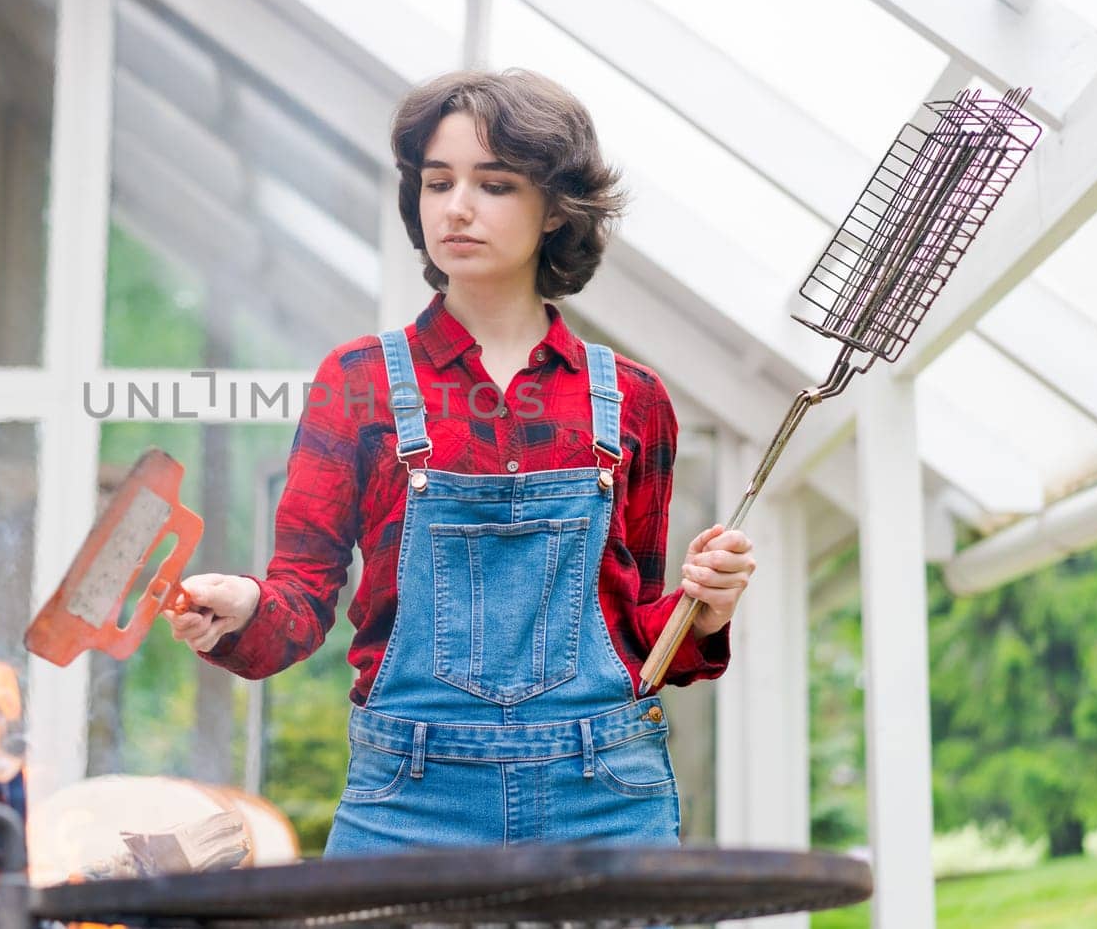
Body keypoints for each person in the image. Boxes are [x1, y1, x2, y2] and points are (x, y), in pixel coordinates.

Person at [165, 68, 755, 854]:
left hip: (605, 798)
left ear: (555, 210)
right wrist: (241, 607)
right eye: (437, 181)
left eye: (496, 183)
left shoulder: (633, 401)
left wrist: (705, 610)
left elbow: (642, 642)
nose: (458, 206)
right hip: (408, 803)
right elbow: (300, 603)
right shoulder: (359, 383)